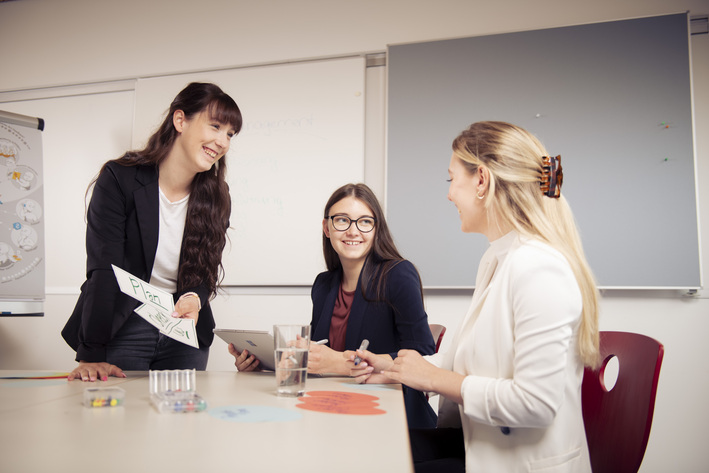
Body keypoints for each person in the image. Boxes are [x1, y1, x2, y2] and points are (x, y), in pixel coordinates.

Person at [352, 121, 600, 472]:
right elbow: (469, 362)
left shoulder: (539, 269)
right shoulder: (498, 258)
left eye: (452, 179)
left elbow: (536, 403)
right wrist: (397, 369)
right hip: (483, 446)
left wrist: (432, 379)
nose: (449, 193)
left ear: (481, 180)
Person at [62, 82, 242, 382]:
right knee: (118, 422)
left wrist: (195, 298)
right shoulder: (120, 178)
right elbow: (104, 269)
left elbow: (205, 270)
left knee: (180, 424)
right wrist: (92, 352)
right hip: (123, 323)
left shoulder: (216, 194)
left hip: (184, 333)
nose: (222, 141)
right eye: (215, 126)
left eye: (230, 134)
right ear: (180, 120)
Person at [230, 183, 438, 428]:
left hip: (389, 419)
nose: (353, 231)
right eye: (342, 220)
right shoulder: (324, 284)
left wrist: (342, 363)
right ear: (326, 227)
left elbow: (424, 356)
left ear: (376, 229)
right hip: (333, 409)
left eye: (364, 222)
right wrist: (265, 363)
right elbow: (316, 353)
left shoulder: (397, 275)